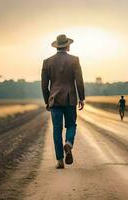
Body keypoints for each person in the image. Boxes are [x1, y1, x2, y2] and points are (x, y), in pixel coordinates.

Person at [41, 34, 85, 169]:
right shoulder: (74, 60)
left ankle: (60, 161)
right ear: (67, 46)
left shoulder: (47, 62)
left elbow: (44, 85)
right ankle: (69, 143)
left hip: (54, 100)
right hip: (70, 99)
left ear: (57, 46)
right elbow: (79, 81)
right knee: (71, 125)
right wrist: (81, 98)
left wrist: (47, 100)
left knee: (56, 129)